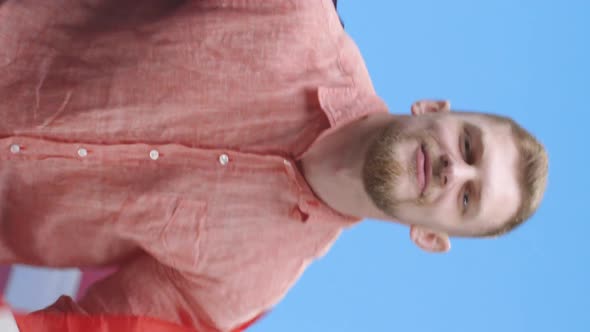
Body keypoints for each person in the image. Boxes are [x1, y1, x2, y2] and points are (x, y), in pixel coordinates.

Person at [0, 0, 548, 331]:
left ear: (431, 237)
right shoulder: (290, 13)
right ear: (435, 109)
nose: (457, 171)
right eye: (470, 147)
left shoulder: (246, 288)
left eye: (468, 200)